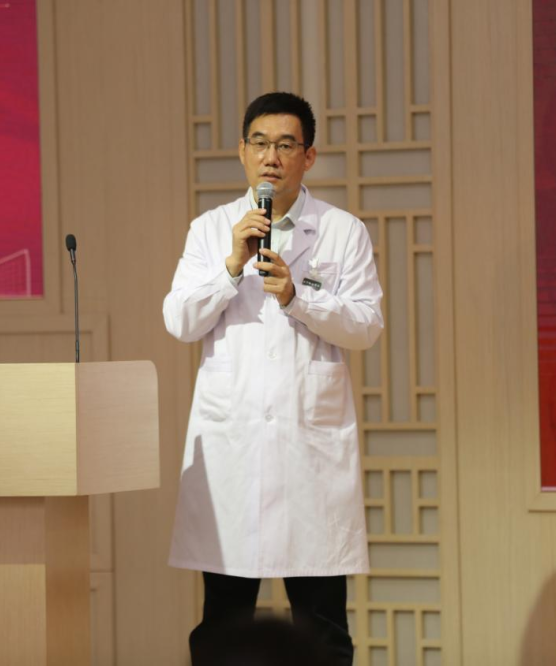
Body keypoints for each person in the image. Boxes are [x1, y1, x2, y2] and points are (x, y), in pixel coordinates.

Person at [163, 91, 384, 666]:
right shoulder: (211, 230)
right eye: (260, 143)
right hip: (233, 452)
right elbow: (180, 321)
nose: (271, 157)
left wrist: (298, 296)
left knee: (323, 629)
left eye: (286, 145)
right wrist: (231, 267)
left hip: (309, 453)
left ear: (308, 157)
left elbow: (366, 326)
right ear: (242, 151)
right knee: (222, 626)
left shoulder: (342, 231)